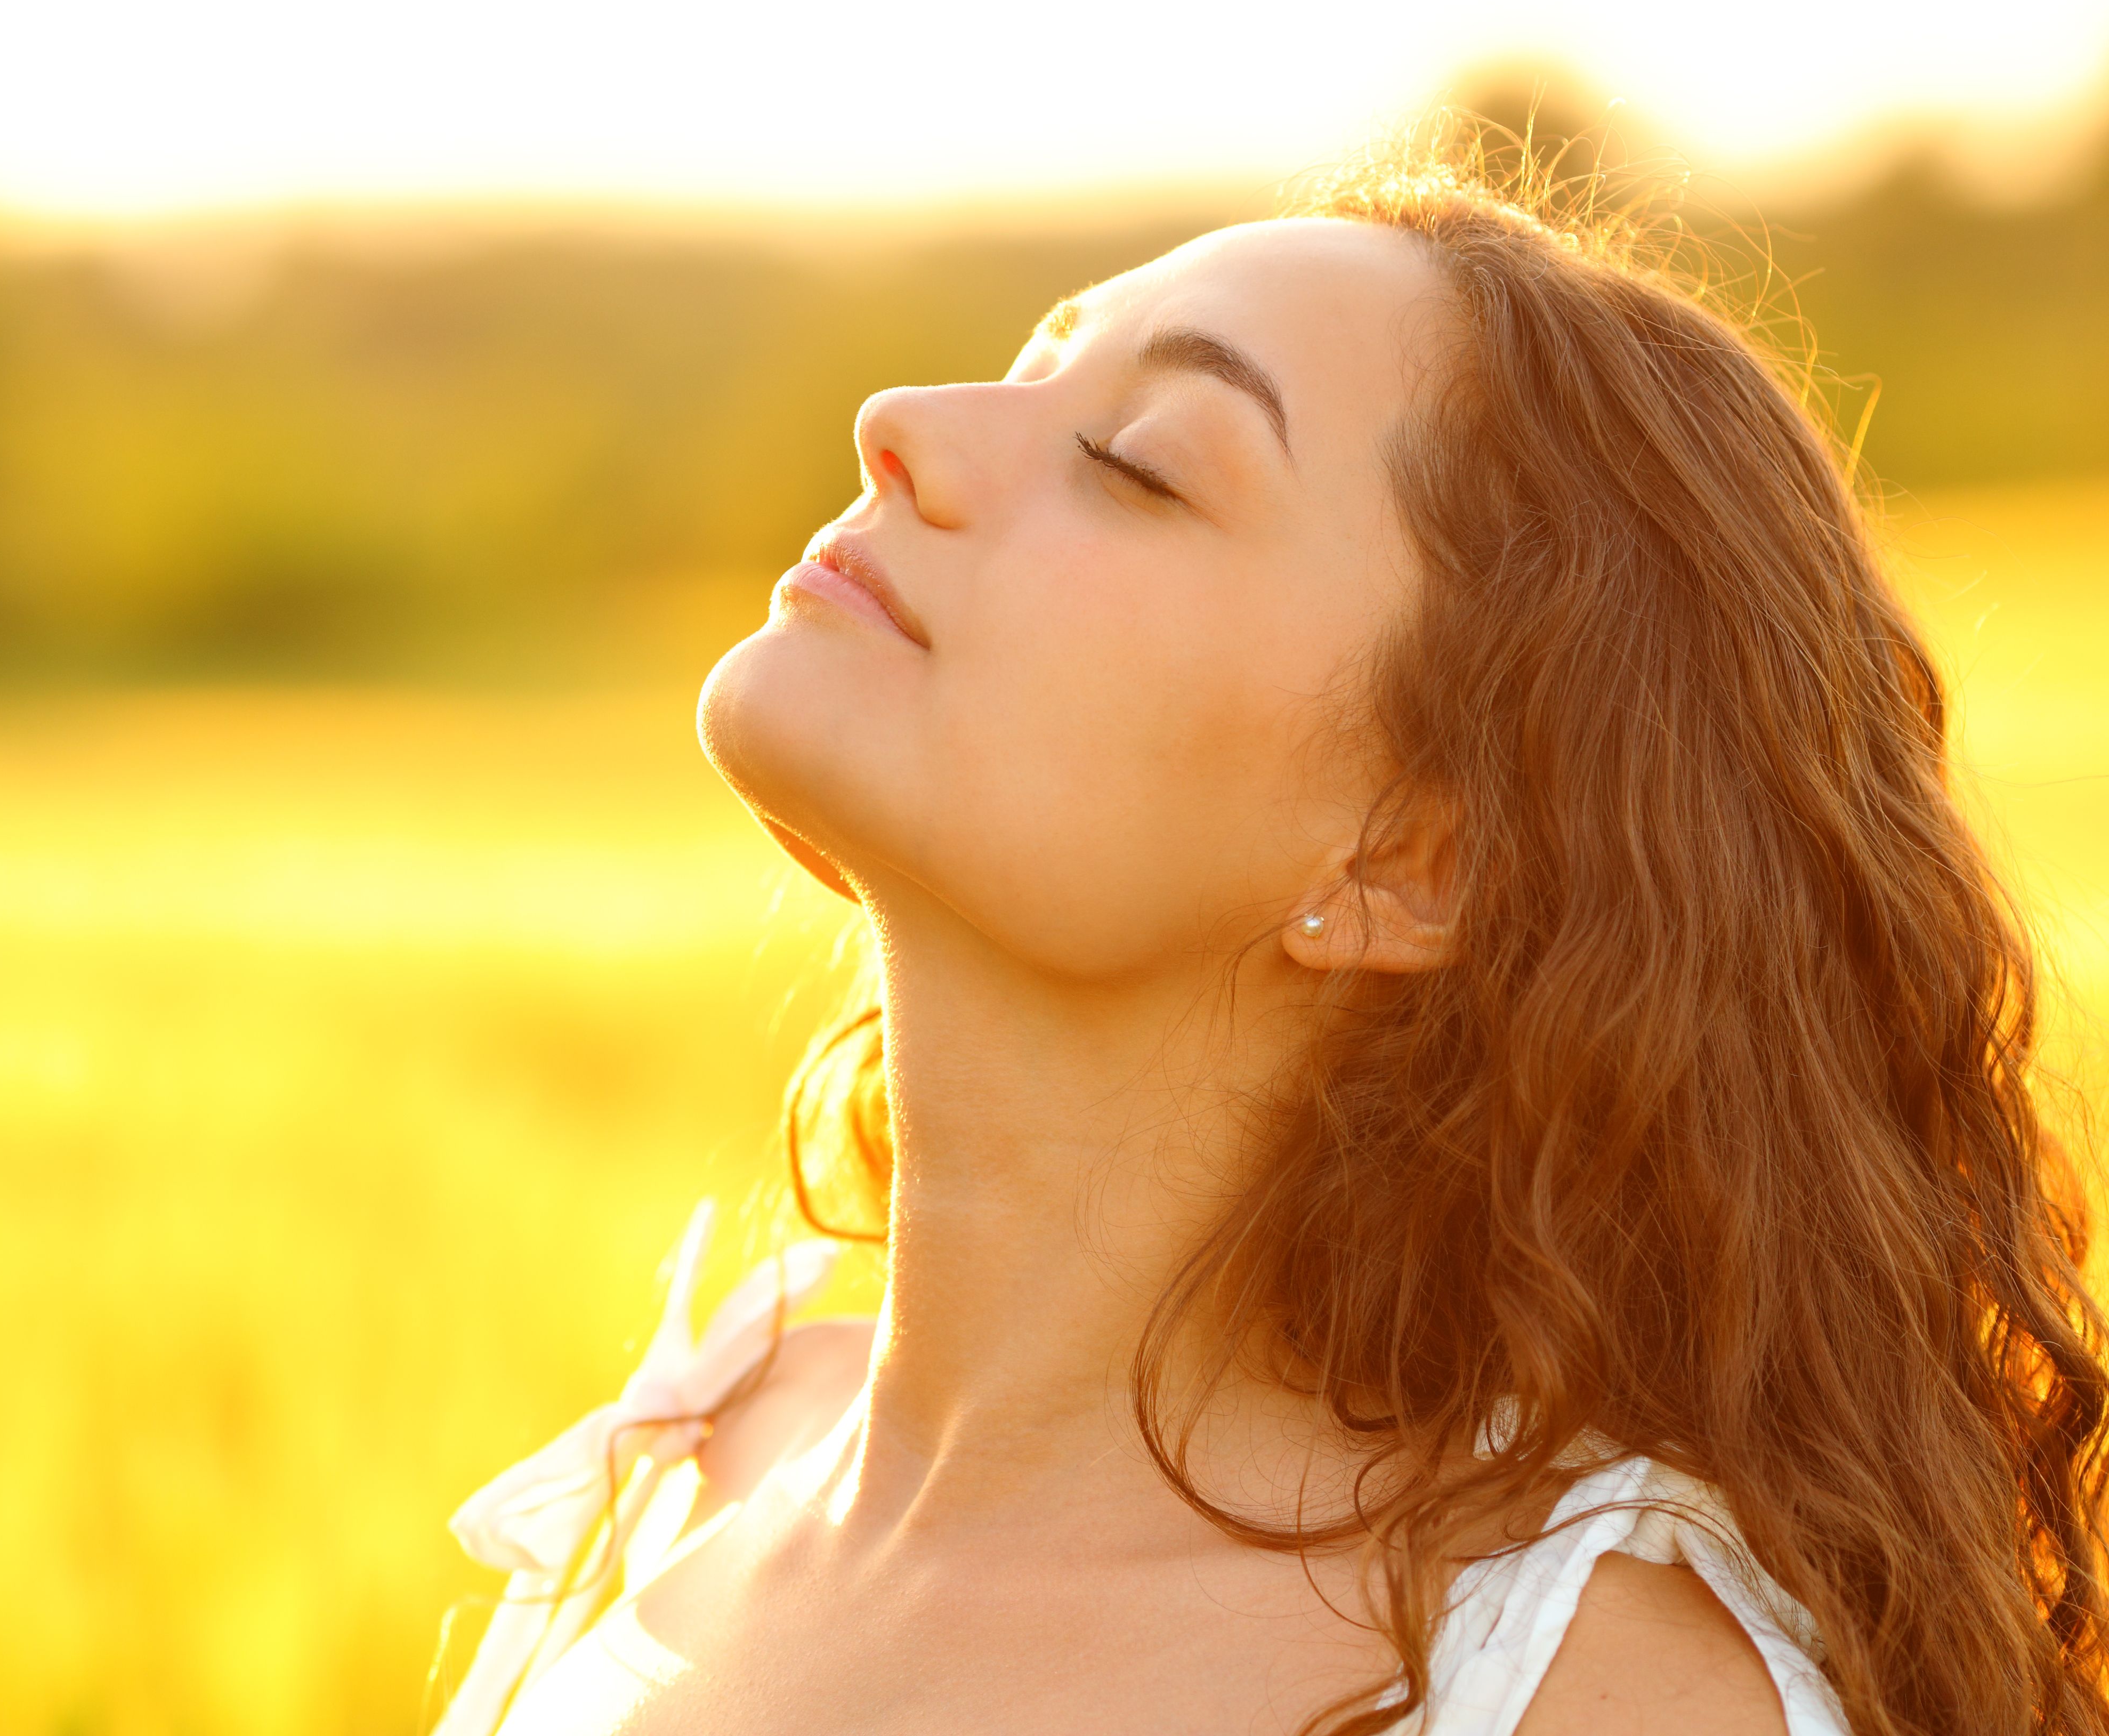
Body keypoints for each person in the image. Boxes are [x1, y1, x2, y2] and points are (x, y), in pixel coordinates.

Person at [431, 135, 2109, 1736]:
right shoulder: (686, 1465)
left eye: (1137, 462)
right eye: (1027, 370)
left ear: (1410, 859)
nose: (901, 423)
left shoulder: (1574, 1692)